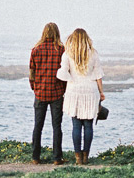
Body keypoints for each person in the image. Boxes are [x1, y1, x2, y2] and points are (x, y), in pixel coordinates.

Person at [56, 28, 105, 165]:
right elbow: (98, 76)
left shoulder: (68, 54)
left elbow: (62, 73)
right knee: (88, 126)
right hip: (90, 91)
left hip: (74, 91)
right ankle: (86, 156)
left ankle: (78, 158)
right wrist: (101, 92)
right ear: (86, 38)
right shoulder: (93, 53)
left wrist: (70, 80)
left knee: (76, 126)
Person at [29, 22, 66, 165]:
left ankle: (35, 157)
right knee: (57, 126)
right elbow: (64, 73)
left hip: (40, 93)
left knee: (38, 125)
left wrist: (35, 87)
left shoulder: (36, 49)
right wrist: (64, 89)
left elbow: (32, 71)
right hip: (56, 93)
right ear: (57, 33)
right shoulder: (61, 50)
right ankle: (57, 158)